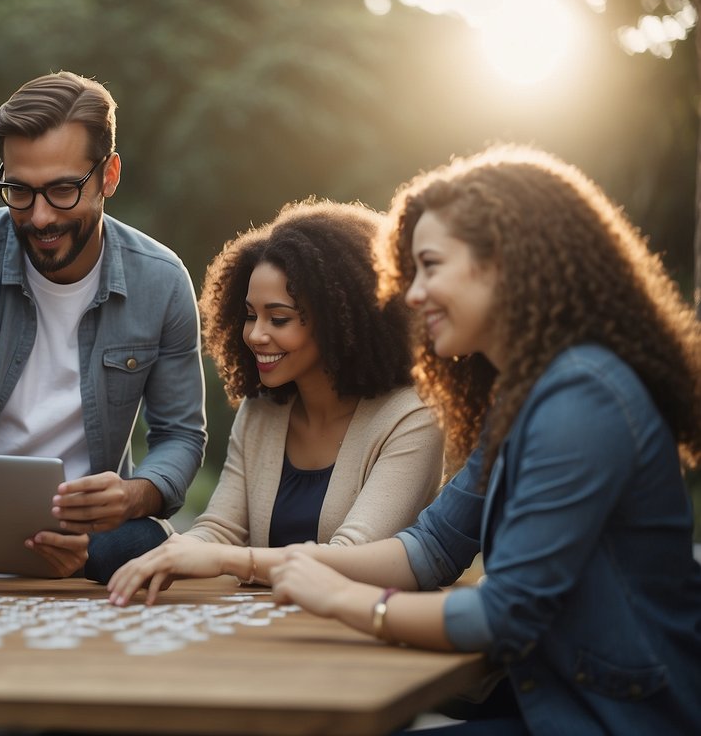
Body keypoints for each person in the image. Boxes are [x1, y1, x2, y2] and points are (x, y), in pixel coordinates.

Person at [265, 146, 701, 733]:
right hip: (548, 698)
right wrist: (293, 564)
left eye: (431, 265)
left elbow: (505, 614)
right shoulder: (524, 394)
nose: (412, 294)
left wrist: (342, 600)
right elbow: (435, 546)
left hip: (615, 719)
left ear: (504, 262)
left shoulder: (582, 398)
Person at [0, 71, 207, 593]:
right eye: (19, 192)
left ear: (109, 175)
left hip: (92, 535)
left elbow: (180, 436)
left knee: (146, 542)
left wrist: (132, 495)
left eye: (63, 190)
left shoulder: (161, 281)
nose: (40, 217)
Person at [107, 200, 444, 605]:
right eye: (249, 315)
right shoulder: (262, 411)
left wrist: (231, 559)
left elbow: (352, 557)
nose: (255, 335)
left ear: (342, 321)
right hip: (268, 636)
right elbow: (219, 530)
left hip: (360, 639)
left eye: (278, 318)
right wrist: (160, 556)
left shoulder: (412, 418)